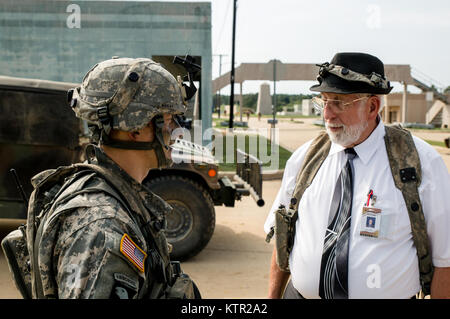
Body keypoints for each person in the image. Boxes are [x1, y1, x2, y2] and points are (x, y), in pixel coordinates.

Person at [265, 52, 450, 299]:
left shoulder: (421, 164)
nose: (327, 114)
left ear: (372, 106)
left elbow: (444, 260)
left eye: (339, 102)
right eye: (324, 101)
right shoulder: (304, 159)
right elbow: (283, 238)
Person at [21, 57, 197, 298]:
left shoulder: (110, 193)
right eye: (168, 120)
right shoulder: (102, 227)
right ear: (136, 128)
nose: (176, 130)